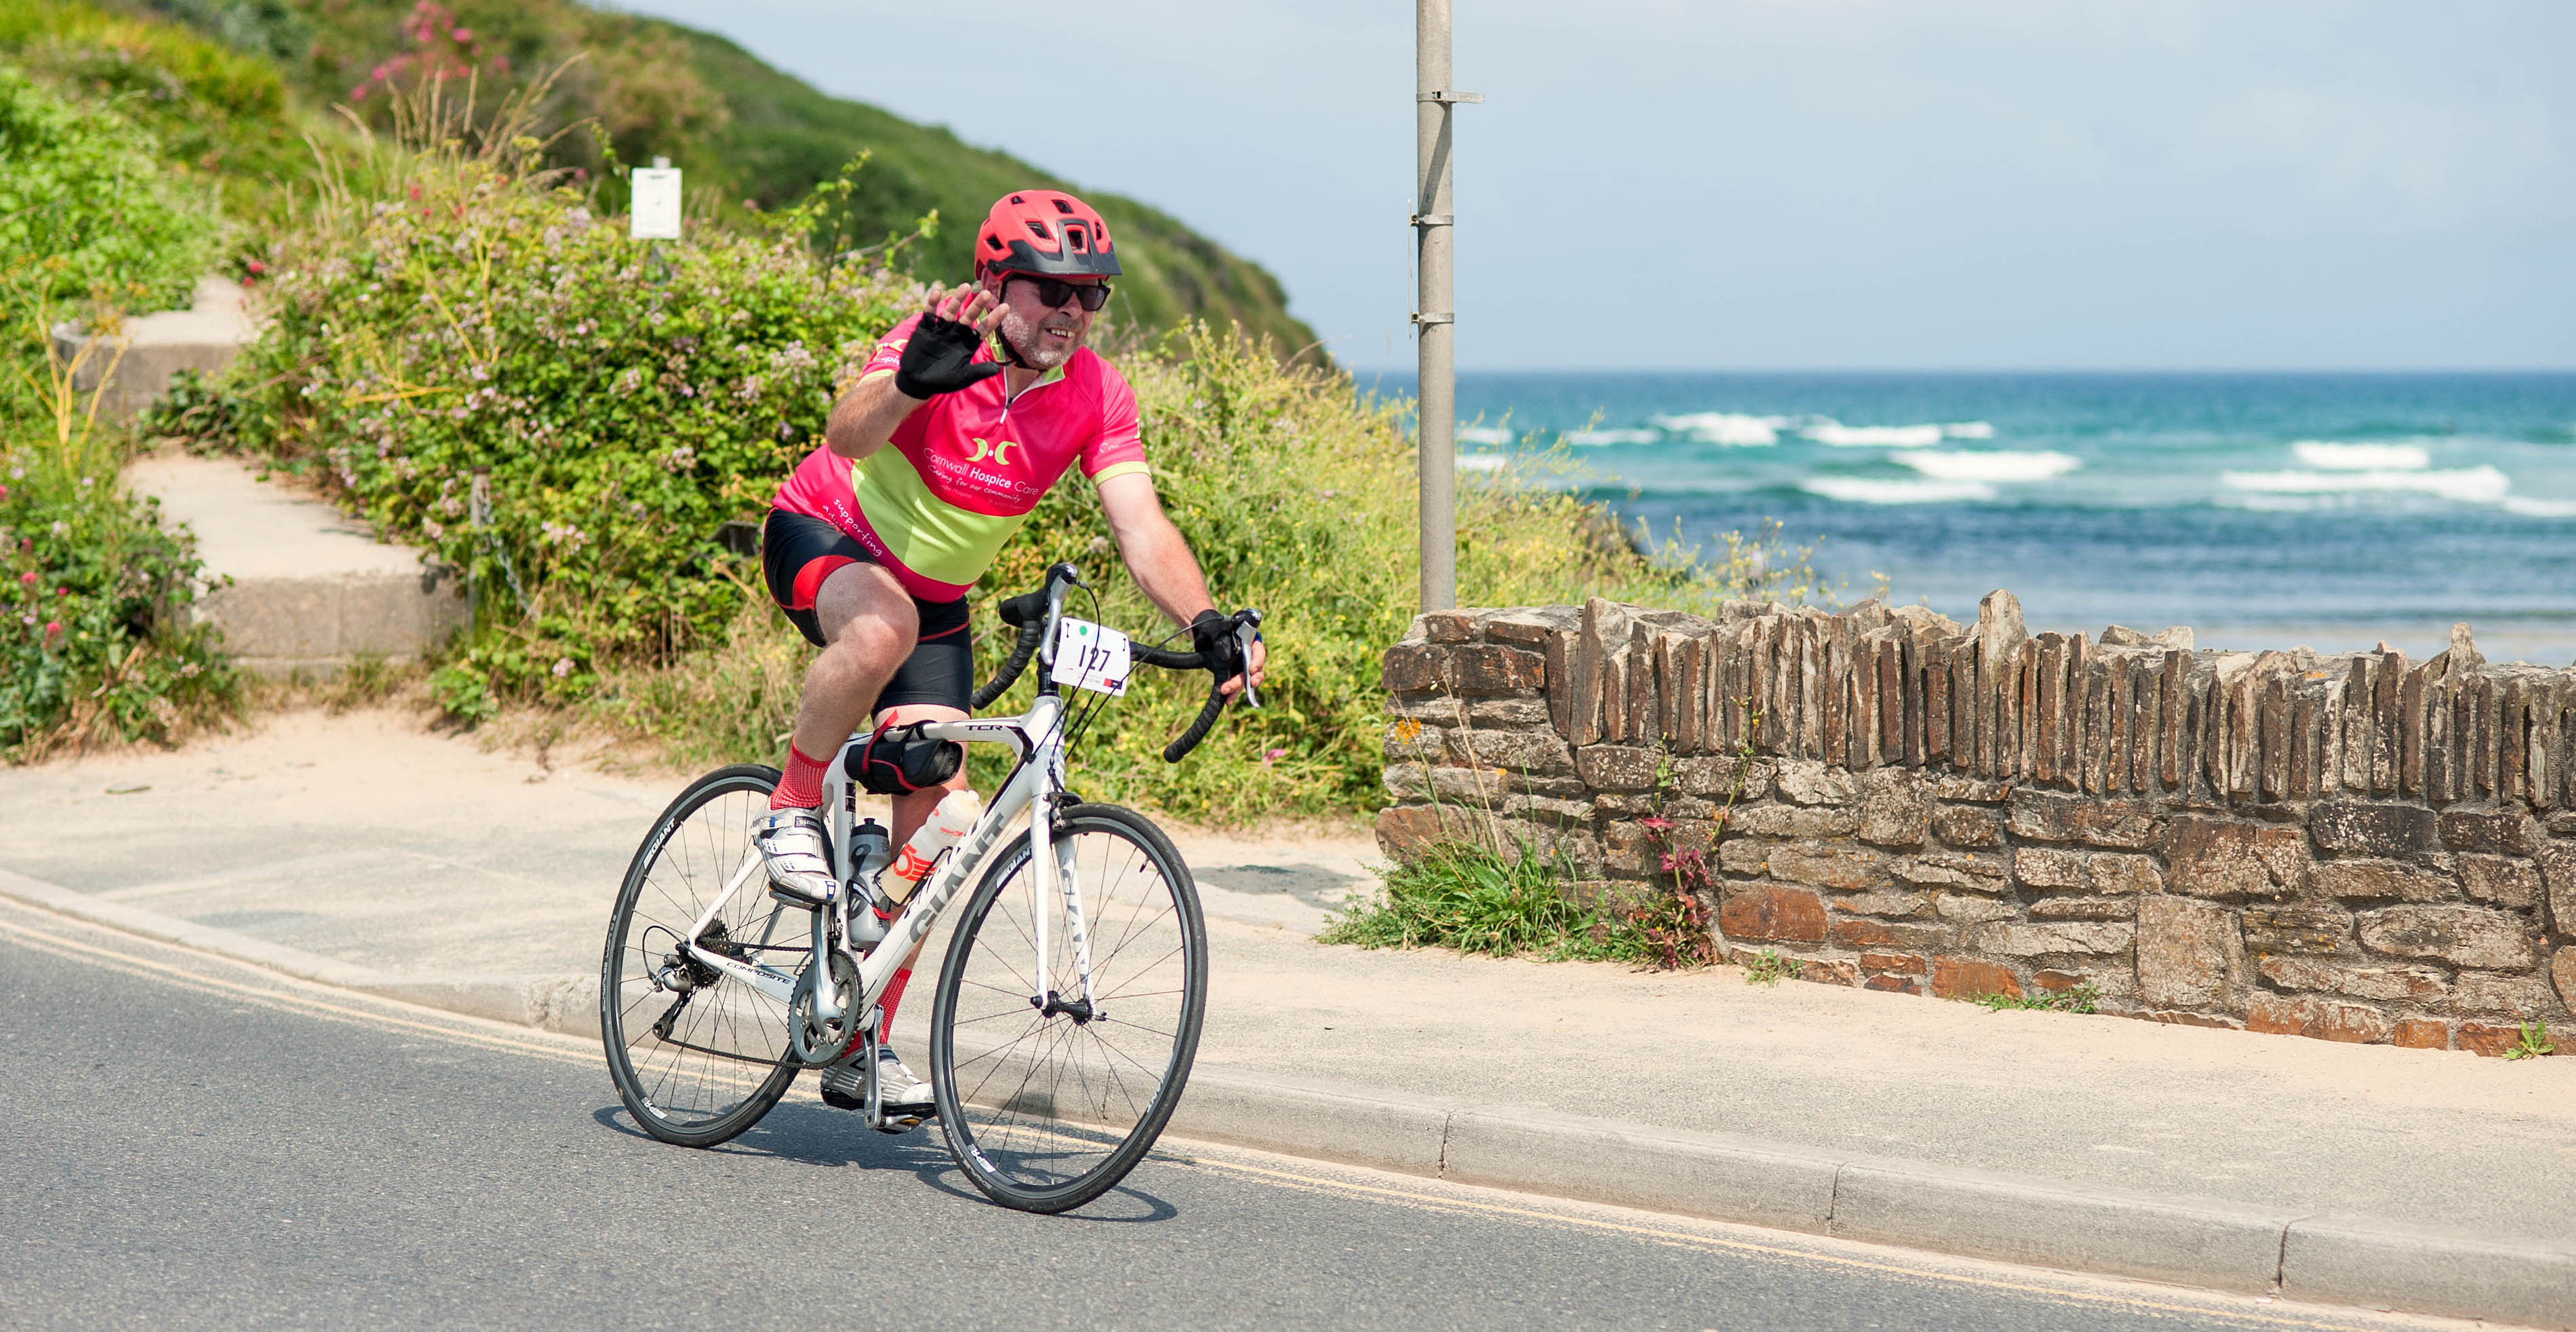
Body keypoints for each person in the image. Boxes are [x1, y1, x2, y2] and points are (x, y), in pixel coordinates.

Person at [751, 189, 1265, 1127]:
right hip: (827, 533)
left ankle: (862, 1041)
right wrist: (915, 379)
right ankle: (791, 804)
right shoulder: (937, 335)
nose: (1069, 315)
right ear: (995, 281)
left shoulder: (1098, 395)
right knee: (879, 631)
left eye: (1091, 297)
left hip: (937, 600)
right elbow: (846, 433)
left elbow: (1140, 525)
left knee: (942, 812)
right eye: (1049, 292)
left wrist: (1205, 620)